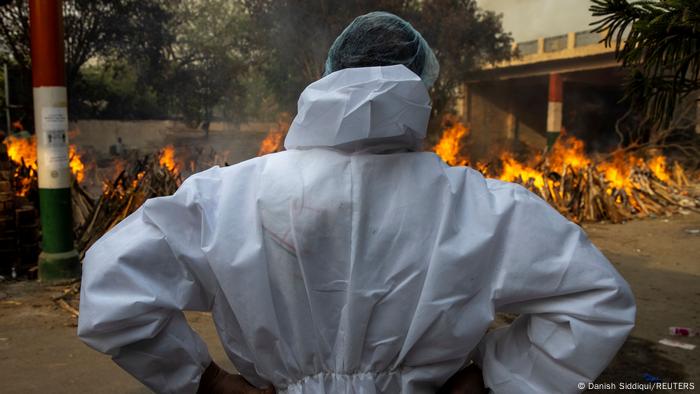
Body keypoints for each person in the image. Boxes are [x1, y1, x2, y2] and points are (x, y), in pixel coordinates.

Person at [78, 11, 635, 394]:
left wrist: (204, 382)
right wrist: (494, 376)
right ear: (420, 90)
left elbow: (113, 288)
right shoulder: (483, 206)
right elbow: (596, 302)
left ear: (329, 78)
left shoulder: (225, 196)